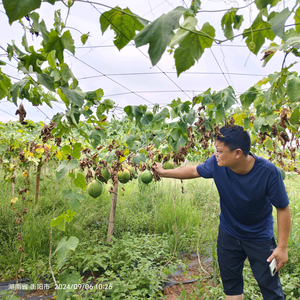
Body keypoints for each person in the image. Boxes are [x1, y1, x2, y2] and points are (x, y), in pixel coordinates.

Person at [152, 125, 291, 300]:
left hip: (259, 236)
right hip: (229, 234)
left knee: (271, 289)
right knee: (231, 285)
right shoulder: (217, 163)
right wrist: (164, 172)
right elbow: (195, 170)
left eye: (219, 151)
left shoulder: (269, 172)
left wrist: (282, 247)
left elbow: (283, 208)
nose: (215, 154)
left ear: (238, 153)